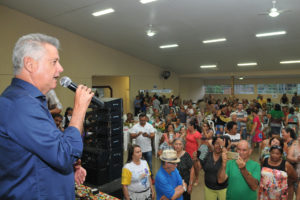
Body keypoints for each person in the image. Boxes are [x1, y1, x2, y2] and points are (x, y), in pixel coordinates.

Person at [0, 33, 93, 199]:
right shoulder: (20, 105)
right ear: (30, 64)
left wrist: (67, 172)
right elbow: (64, 155)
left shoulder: (32, 101)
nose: (61, 68)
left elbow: (43, 152)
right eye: (54, 62)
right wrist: (79, 111)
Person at [199, 136, 230, 200]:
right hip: (209, 188)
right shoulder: (206, 155)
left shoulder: (228, 157)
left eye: (221, 144)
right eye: (216, 143)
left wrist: (223, 148)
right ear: (213, 144)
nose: (218, 146)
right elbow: (198, 168)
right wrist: (195, 160)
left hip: (223, 189)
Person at [185, 119, 202, 186]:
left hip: (193, 151)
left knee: (195, 166)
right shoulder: (188, 131)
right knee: (188, 165)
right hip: (187, 150)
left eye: (188, 125)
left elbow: (199, 144)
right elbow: (186, 138)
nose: (187, 126)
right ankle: (190, 176)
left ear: (192, 126)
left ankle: (197, 178)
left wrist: (196, 153)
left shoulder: (197, 134)